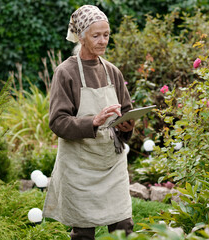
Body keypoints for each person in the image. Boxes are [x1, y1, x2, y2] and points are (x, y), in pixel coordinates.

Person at [42, 5, 135, 240]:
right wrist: (93, 121)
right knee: (83, 232)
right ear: (81, 37)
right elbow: (58, 122)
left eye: (106, 35)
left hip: (111, 163)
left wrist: (127, 126)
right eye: (96, 35)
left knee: (124, 225)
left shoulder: (112, 71)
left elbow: (126, 111)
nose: (103, 41)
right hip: (80, 166)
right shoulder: (66, 73)